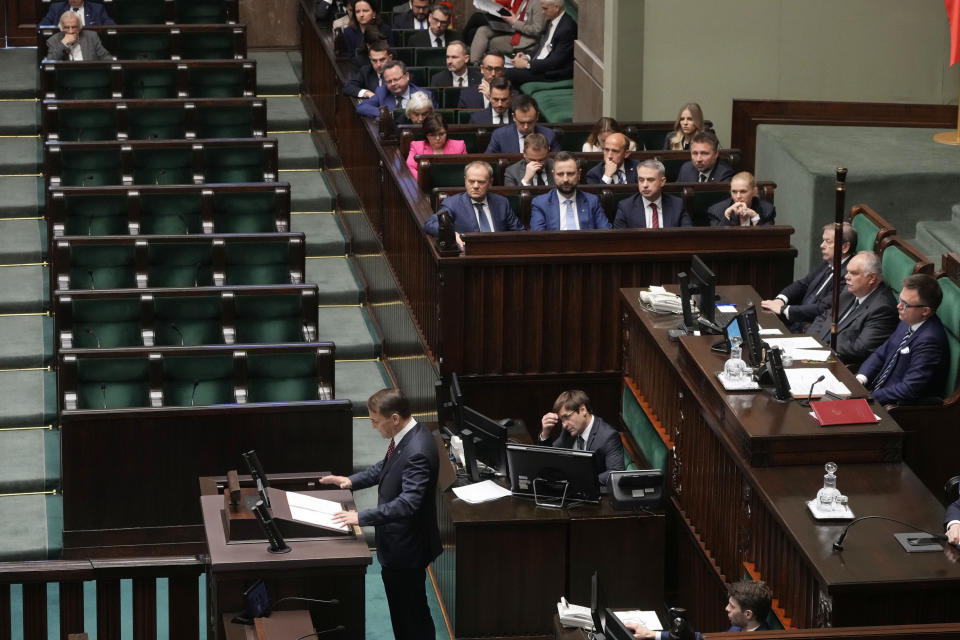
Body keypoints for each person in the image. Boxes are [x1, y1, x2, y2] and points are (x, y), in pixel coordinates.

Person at [322, 389, 441, 640]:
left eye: (376, 421)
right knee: (404, 614)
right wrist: (350, 481)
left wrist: (360, 518)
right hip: (397, 547)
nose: (374, 427)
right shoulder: (408, 435)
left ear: (395, 418)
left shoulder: (418, 449)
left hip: (407, 551)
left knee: (412, 617)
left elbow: (409, 503)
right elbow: (384, 468)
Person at [857, 273, 949, 405]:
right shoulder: (908, 320)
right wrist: (861, 378)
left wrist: (869, 398)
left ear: (925, 311)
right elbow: (882, 353)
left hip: (898, 410)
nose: (898, 306)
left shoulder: (930, 341)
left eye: (905, 304)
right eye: (900, 300)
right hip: (875, 393)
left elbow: (909, 388)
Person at [806, 251, 898, 368]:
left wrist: (823, 346)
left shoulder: (883, 309)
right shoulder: (850, 291)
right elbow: (824, 316)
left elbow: (860, 348)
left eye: (853, 273)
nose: (846, 277)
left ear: (871, 278)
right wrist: (810, 341)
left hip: (839, 364)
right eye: (848, 271)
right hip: (815, 352)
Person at [761, 222, 857, 333]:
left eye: (828, 241)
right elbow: (803, 284)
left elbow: (823, 308)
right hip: (796, 321)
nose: (822, 245)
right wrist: (780, 300)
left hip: (811, 329)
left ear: (844, 247)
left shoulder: (849, 275)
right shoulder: (827, 262)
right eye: (823, 240)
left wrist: (785, 310)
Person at [423, 161, 523, 247]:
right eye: (471, 181)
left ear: (490, 182)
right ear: (465, 181)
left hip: (500, 255)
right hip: (468, 258)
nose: (475, 186)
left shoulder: (501, 202)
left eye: (481, 182)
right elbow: (430, 225)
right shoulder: (453, 204)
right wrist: (452, 234)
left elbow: (519, 231)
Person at [626, 580, 772, 639]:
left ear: (748, 614)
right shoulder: (737, 628)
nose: (726, 608)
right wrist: (651, 634)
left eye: (732, 606)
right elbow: (700, 638)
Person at [538, 390, 625, 487]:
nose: (564, 425)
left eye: (566, 417)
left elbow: (615, 472)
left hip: (596, 495)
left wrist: (582, 482)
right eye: (561, 420)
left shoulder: (608, 436)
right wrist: (545, 434)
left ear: (583, 410)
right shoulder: (567, 431)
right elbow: (550, 458)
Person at [529, 152, 611, 230]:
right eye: (560, 174)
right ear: (553, 175)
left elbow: (606, 234)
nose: (565, 179)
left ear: (579, 174)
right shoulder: (540, 204)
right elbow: (538, 239)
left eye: (570, 174)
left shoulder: (592, 201)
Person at [505, 0, 577, 86]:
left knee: (508, 73)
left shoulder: (567, 29)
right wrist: (527, 57)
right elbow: (541, 45)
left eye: (545, 9)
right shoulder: (551, 19)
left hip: (552, 73)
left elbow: (555, 62)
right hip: (539, 64)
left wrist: (527, 64)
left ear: (556, 8)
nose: (542, 12)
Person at [613, 160, 691, 229]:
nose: (645, 185)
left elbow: (687, 237)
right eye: (641, 180)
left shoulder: (678, 205)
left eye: (650, 180)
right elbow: (619, 241)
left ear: (662, 182)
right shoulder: (626, 207)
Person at [469, 0, 545, 63]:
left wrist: (515, 22)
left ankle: (481, 65)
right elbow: (517, 17)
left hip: (524, 38)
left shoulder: (537, 3)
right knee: (482, 29)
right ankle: (474, 64)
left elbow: (537, 30)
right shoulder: (525, 1)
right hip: (514, 28)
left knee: (492, 42)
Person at [485, 94, 560, 153]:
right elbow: (489, 162)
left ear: (537, 116)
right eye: (521, 122)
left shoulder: (549, 135)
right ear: (514, 117)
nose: (526, 127)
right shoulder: (499, 136)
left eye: (530, 122)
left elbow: (556, 164)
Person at [356, 60, 432, 118]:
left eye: (396, 79)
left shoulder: (425, 96)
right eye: (389, 81)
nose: (393, 84)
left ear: (407, 76)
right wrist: (386, 114)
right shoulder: (382, 92)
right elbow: (361, 107)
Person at [406, 113, 467, 179]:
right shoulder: (417, 146)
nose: (438, 138)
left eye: (441, 134)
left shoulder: (459, 146)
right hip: (424, 185)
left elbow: (465, 170)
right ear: (426, 135)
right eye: (433, 135)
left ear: (446, 132)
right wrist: (425, 182)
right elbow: (410, 167)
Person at [707, 172, 776, 226]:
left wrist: (755, 217)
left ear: (754, 191)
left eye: (743, 191)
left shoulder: (767, 210)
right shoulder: (716, 211)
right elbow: (717, 241)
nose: (738, 196)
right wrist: (727, 216)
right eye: (734, 192)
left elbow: (766, 240)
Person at [44, 10, 112, 62]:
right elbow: (50, 62)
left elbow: (106, 57)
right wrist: (63, 44)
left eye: (74, 27)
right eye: (66, 27)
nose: (71, 31)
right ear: (61, 28)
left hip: (90, 74)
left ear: (79, 27)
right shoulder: (53, 40)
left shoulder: (91, 37)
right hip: (67, 77)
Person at [40, 0, 114, 26]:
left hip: (89, 48)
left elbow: (110, 24)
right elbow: (42, 25)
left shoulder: (97, 9)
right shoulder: (56, 8)